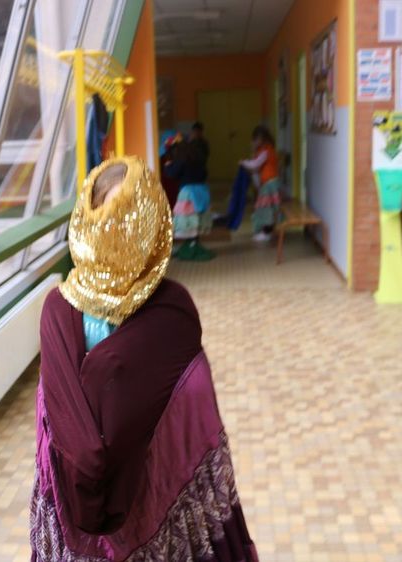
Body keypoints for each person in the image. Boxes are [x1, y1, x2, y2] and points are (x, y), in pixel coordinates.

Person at [31, 156, 257, 561]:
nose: (116, 234)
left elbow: (191, 419)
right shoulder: (60, 315)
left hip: (157, 515)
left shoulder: (173, 315)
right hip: (100, 528)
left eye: (128, 219)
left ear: (151, 223)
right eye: (106, 219)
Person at [165, 138, 215, 261]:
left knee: (188, 220)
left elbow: (171, 174)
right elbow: (205, 174)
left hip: (188, 194)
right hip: (202, 192)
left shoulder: (182, 160)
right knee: (197, 218)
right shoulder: (199, 160)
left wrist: (168, 164)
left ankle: (191, 244)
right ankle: (194, 242)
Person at [240, 125, 280, 243]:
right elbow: (256, 169)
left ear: (262, 139)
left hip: (269, 184)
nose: (253, 142)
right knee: (266, 208)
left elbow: (255, 164)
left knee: (266, 209)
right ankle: (267, 231)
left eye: (255, 139)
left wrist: (244, 163)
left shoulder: (266, 151)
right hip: (268, 183)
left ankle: (266, 233)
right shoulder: (265, 150)